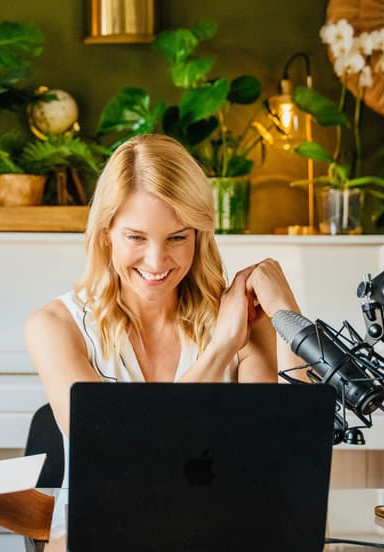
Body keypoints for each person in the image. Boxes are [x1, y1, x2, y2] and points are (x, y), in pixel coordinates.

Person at [24, 133, 303, 469]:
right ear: (105, 235)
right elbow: (116, 455)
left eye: (177, 237)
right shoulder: (55, 327)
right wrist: (221, 350)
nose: (156, 262)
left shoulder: (242, 319)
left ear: (198, 237)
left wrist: (288, 315)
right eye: (136, 237)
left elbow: (287, 457)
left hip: (219, 522)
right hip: (103, 522)